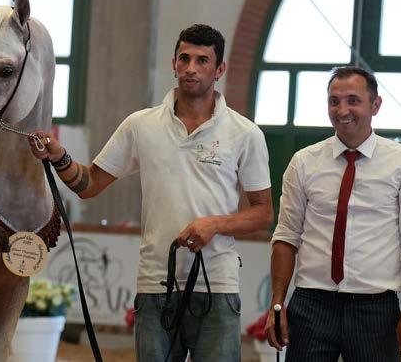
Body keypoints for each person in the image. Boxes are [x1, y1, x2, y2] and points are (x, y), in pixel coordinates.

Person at [29, 24, 273, 361]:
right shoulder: (140, 125)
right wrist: (60, 157)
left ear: (220, 70)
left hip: (217, 284)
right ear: (173, 64)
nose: (191, 68)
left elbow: (263, 213)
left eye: (202, 60)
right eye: (184, 58)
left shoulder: (245, 133)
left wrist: (215, 224)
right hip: (155, 284)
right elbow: (90, 184)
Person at [264, 66, 401, 361]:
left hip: (375, 309)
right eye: (334, 101)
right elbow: (286, 237)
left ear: (375, 105)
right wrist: (277, 305)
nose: (342, 110)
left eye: (353, 100)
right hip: (311, 304)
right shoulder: (303, 162)